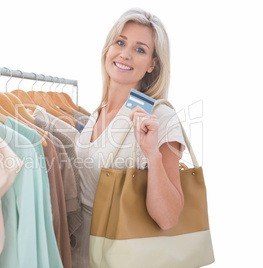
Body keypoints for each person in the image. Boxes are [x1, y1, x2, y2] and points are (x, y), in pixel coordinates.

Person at [73, 7, 187, 267]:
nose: (125, 54)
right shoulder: (94, 115)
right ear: (107, 49)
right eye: (120, 42)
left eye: (140, 49)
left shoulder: (159, 118)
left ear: (152, 64)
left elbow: (168, 218)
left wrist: (152, 155)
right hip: (81, 255)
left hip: (120, 257)